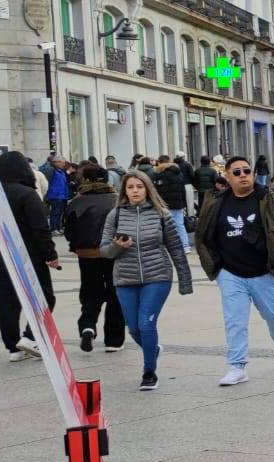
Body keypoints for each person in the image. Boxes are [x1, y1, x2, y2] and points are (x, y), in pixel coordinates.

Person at [196, 156, 274, 386]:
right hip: (230, 273)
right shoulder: (216, 202)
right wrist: (215, 268)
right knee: (235, 320)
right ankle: (237, 366)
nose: (243, 175)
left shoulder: (270, 200)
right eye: (237, 172)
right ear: (227, 177)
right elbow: (202, 235)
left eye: (246, 170)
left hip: (264, 272)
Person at [102, 172, 194, 391]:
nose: (135, 191)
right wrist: (117, 246)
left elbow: (176, 248)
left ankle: (149, 372)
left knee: (146, 324)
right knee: (134, 328)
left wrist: (185, 280)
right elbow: (104, 251)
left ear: (147, 189)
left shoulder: (161, 214)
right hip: (125, 278)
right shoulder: (115, 215)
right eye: (130, 187)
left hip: (157, 276)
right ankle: (153, 349)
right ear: (124, 190)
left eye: (139, 186)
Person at [0, 152, 59, 361]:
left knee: (7, 304)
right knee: (45, 297)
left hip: (0, 259)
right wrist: (50, 254)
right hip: (29, 258)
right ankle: (30, 336)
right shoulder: (27, 194)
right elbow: (40, 228)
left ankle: (13, 348)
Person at [62, 162, 125, 354]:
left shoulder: (77, 201)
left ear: (85, 180)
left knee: (90, 292)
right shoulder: (117, 200)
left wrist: (77, 245)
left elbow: (68, 229)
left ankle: (87, 326)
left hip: (86, 254)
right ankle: (113, 340)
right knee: (115, 293)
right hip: (113, 252)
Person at [152, 155, 191, 252]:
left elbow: (161, 191)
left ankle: (167, 246)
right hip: (178, 203)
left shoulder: (160, 174)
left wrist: (159, 203)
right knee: (179, 225)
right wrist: (184, 203)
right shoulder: (178, 173)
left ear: (159, 163)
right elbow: (183, 190)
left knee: (165, 226)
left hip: (165, 204)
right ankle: (185, 245)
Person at [43, 156, 72, 232]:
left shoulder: (61, 172)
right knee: (55, 212)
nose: (64, 164)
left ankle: (58, 227)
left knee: (60, 213)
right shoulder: (51, 170)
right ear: (57, 162)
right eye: (63, 163)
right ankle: (54, 228)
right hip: (55, 195)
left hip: (62, 195)